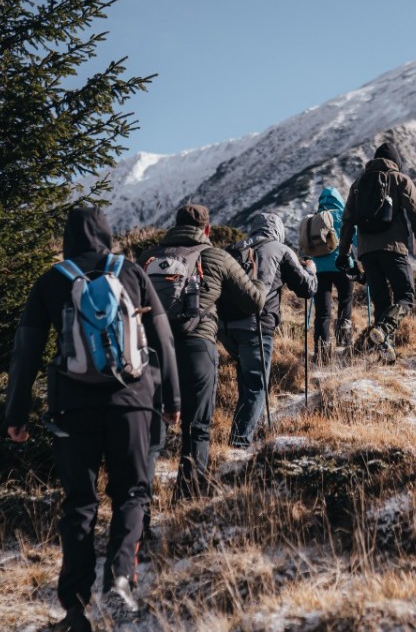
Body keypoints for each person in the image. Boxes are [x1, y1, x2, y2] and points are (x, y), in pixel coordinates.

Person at [4, 206, 179, 630]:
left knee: (79, 506)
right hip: (133, 403)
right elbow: (164, 339)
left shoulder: (51, 280)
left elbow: (25, 350)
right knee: (132, 494)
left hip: (72, 409)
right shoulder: (132, 274)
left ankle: (75, 610)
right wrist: (172, 399)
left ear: (67, 238)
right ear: (107, 234)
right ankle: (119, 580)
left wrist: (17, 411)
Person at [137, 204, 263, 498]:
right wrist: (256, 275)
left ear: (174, 225)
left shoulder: (148, 256)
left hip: (151, 350)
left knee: (151, 431)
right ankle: (187, 502)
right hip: (197, 347)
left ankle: (137, 508)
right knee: (197, 429)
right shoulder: (216, 257)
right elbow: (254, 302)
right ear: (207, 229)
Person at [219, 213, 317, 448]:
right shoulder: (280, 249)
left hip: (225, 328)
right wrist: (312, 270)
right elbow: (306, 289)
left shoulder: (233, 249)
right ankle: (239, 444)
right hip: (256, 327)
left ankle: (248, 430)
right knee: (256, 384)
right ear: (278, 230)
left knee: (247, 381)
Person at [337, 143, 416, 361]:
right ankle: (384, 331)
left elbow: (347, 222)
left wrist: (343, 253)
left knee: (382, 302)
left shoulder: (358, 184)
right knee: (406, 296)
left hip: (367, 252)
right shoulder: (399, 179)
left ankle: (386, 355)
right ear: (396, 161)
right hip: (393, 248)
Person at [308, 186, 357, 358]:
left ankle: (321, 352)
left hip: (319, 271)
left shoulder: (315, 219)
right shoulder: (344, 217)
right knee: (345, 301)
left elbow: (308, 248)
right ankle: (344, 345)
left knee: (322, 312)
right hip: (343, 267)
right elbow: (356, 239)